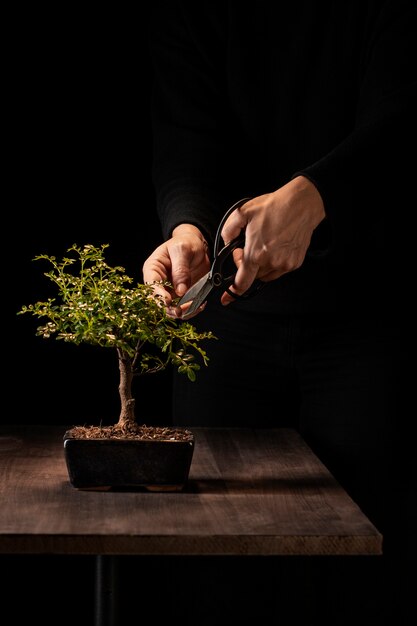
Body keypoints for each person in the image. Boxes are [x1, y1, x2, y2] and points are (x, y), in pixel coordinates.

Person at [143, 2, 416, 624]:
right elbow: (185, 138)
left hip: (372, 310)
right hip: (229, 318)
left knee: (370, 572)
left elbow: (403, 114)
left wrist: (315, 194)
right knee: (218, 574)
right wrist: (185, 230)